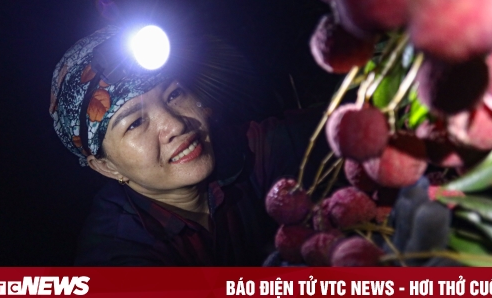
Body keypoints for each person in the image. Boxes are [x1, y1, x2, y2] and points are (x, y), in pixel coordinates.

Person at [49, 24, 329, 266]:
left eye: (174, 95)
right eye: (135, 123)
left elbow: (328, 130)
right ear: (106, 166)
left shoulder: (240, 150)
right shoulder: (117, 255)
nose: (176, 125)